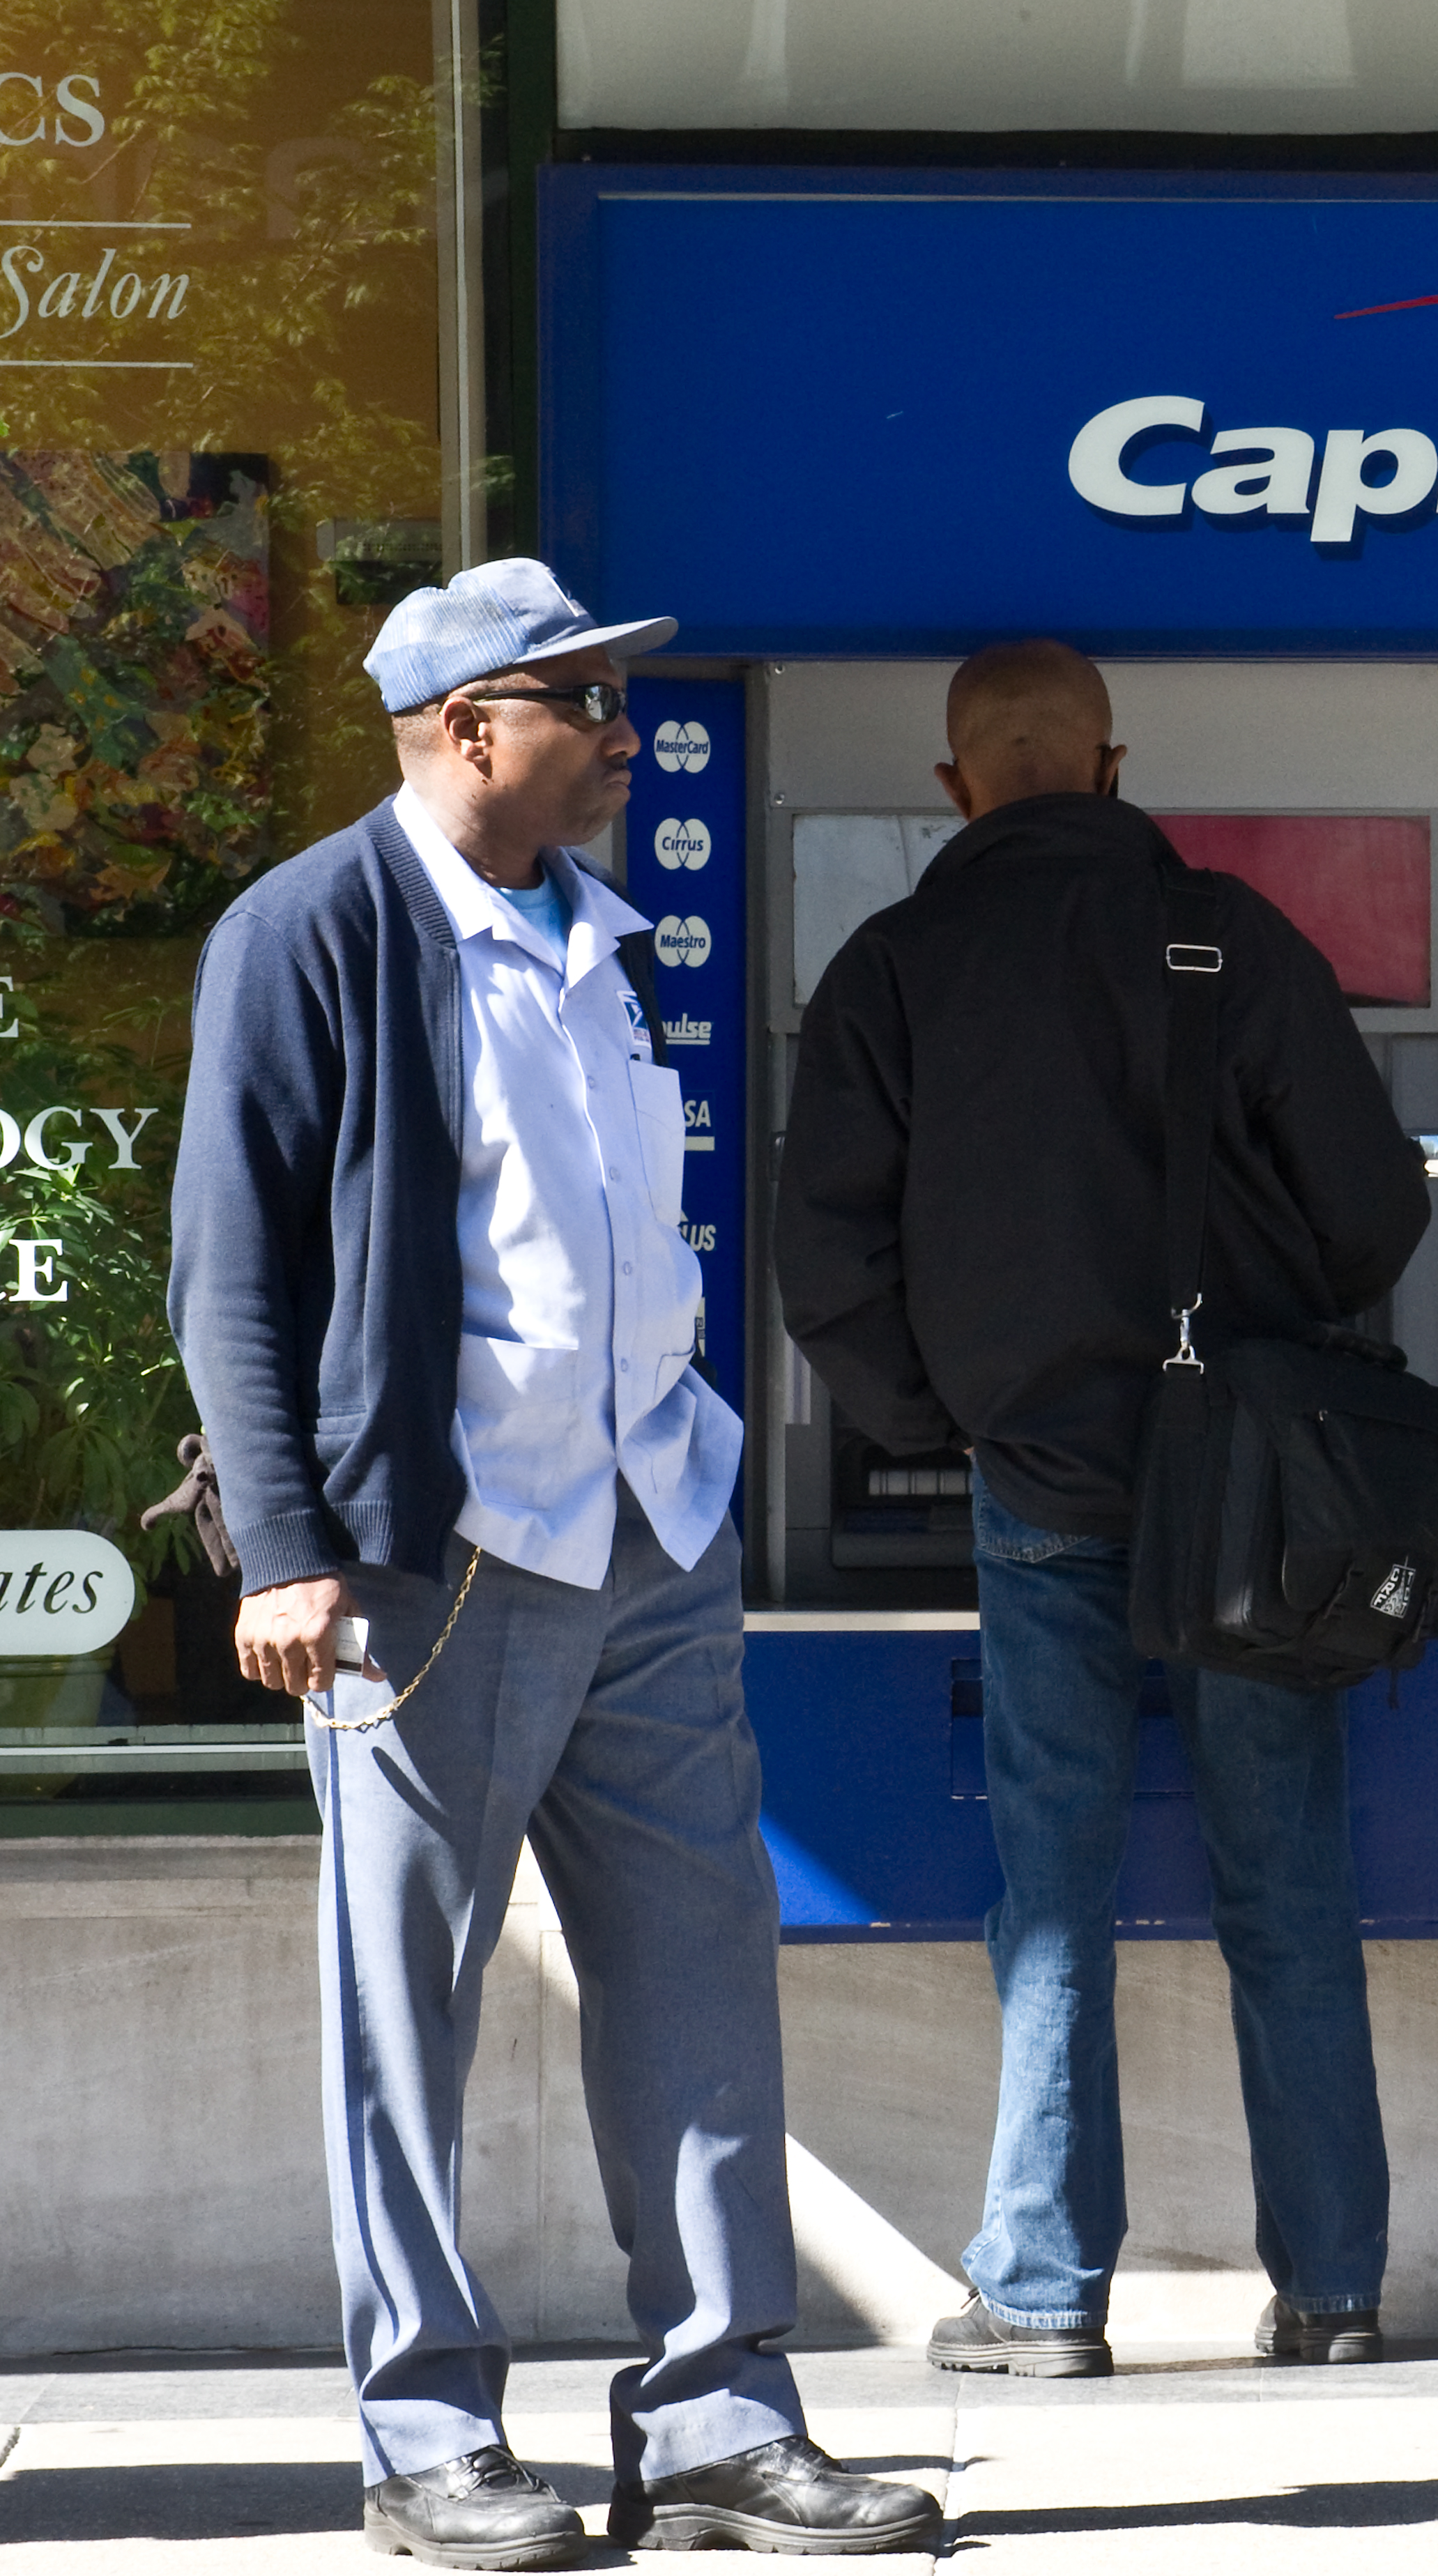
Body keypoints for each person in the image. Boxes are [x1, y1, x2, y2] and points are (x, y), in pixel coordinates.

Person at [169, 559, 940, 2565]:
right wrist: (284, 1539)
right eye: (589, 700)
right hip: (433, 1554)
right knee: (401, 2011)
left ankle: (717, 2424)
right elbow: (232, 1269)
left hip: (648, 1534)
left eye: (619, 699)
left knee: (700, 1976)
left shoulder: (603, 935)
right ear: (472, 726)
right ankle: (425, 2440)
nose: (625, 732)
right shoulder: (310, 932)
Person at [774, 641, 1430, 2379]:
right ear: (1113, 765)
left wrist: (955, 1422)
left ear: (955, 787)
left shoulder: (895, 966)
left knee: (1051, 1895)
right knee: (1285, 1885)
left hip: (1040, 1487)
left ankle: (1047, 2298)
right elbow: (1371, 1211)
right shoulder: (1229, 937)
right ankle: (1335, 2290)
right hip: (1259, 1505)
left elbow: (826, 1263)